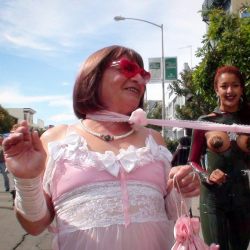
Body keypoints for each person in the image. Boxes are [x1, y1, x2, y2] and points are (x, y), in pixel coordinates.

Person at [3, 45, 200, 250]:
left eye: (143, 74)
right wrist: (26, 180)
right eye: (128, 68)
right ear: (93, 75)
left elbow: (170, 214)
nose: (139, 79)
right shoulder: (58, 139)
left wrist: (182, 189)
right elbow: (35, 225)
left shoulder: (155, 140)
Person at [188, 65, 250, 250]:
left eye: (235, 86)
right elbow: (192, 160)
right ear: (217, 89)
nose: (230, 91)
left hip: (244, 198)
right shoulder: (205, 122)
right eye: (224, 86)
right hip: (212, 200)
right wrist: (206, 175)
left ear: (241, 88)